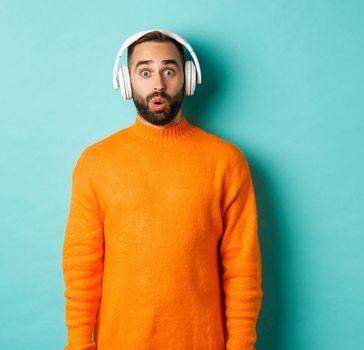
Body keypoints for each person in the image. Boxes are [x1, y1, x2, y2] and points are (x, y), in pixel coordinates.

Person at [61, 29, 263, 350]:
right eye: (145, 72)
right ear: (126, 81)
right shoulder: (95, 162)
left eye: (169, 71)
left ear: (188, 78)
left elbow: (242, 268)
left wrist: (241, 346)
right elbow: (82, 266)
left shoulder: (226, 161)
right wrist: (78, 344)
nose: (158, 84)